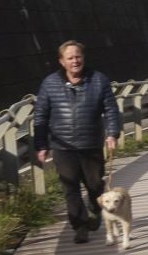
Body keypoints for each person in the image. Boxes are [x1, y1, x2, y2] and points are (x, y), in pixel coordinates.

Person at [33, 40, 122, 244]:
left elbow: (110, 109)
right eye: (70, 58)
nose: (75, 61)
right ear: (62, 61)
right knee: (70, 188)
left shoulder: (99, 80)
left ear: (83, 58)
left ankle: (95, 211)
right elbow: (41, 116)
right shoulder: (49, 83)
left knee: (94, 185)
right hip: (62, 146)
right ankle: (80, 227)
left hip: (91, 143)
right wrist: (41, 145)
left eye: (78, 56)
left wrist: (112, 134)